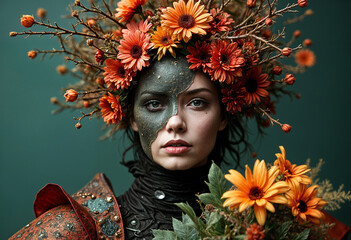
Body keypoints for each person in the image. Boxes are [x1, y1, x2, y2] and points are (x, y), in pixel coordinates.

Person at [9, 0, 350, 239]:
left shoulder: (282, 223)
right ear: (131, 117)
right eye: (155, 104)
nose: (175, 123)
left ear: (224, 113)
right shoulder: (78, 228)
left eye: (197, 103)